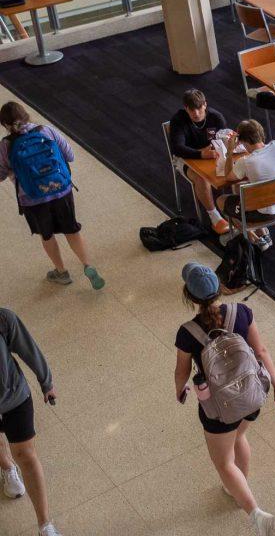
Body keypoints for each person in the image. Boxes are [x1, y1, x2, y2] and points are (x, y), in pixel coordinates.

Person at [174, 263, 275, 536]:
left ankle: (255, 512)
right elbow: (260, 351)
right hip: (252, 396)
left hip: (218, 408)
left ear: (189, 296)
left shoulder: (187, 332)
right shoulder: (242, 312)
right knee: (239, 437)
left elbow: (181, 371)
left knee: (224, 462)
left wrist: (180, 390)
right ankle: (238, 486)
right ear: (219, 287)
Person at [0, 102, 103, 290]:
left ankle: (61, 272)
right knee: (72, 229)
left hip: (32, 198)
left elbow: (0, 174)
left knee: (46, 235)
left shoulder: (6, 146)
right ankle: (88, 265)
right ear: (26, 115)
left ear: (4, 125)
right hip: (61, 190)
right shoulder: (47, 131)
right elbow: (69, 155)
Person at [0, 308, 60, 536]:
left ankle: (45, 525)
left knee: (25, 454)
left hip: (14, 395)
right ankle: (6, 468)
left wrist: (46, 382)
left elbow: (28, 349)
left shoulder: (3, 319)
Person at [215, 120, 275, 251]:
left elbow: (228, 176)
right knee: (240, 186)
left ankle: (253, 238)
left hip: (263, 212)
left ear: (242, 141)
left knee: (221, 201)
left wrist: (229, 152)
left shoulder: (246, 161)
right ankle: (263, 233)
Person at [168, 89, 230, 234]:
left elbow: (224, 137)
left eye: (199, 108)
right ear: (186, 108)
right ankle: (215, 217)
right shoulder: (178, 120)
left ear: (205, 105)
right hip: (186, 158)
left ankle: (240, 207)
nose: (196, 113)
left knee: (238, 168)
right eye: (192, 110)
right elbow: (178, 149)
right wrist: (202, 154)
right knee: (201, 177)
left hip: (211, 153)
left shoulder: (216, 117)